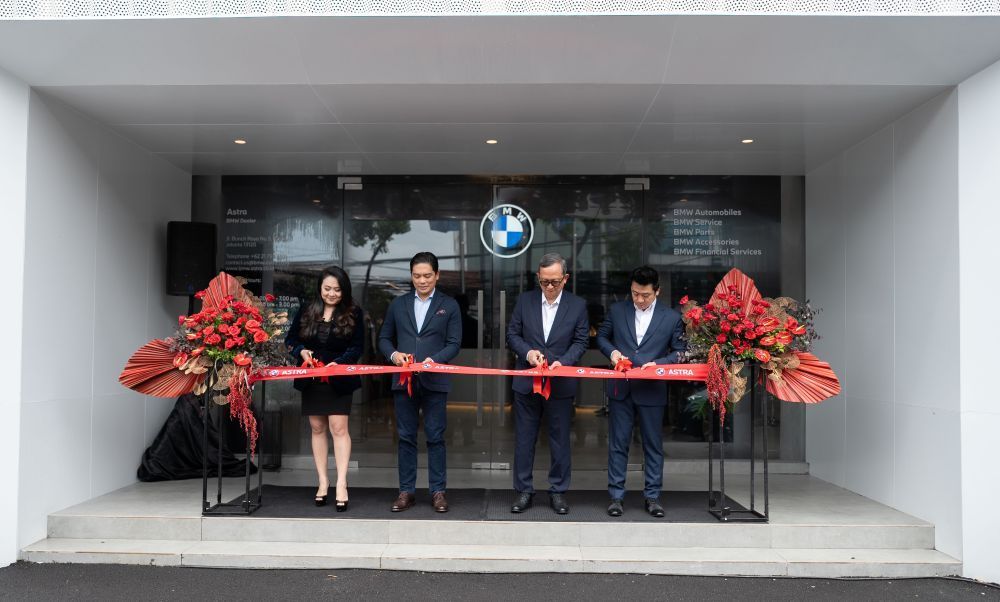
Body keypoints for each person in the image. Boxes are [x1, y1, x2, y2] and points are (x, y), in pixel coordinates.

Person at [597, 266, 686, 518]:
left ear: (657, 291)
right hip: (621, 388)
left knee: (653, 446)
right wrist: (613, 353)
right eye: (635, 293)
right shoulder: (617, 310)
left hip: (652, 388)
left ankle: (653, 497)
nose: (639, 299)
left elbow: (680, 352)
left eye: (645, 295)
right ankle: (616, 496)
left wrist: (659, 364)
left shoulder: (671, 318)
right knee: (618, 444)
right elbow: (602, 337)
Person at [506, 253, 589, 515]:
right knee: (524, 439)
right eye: (544, 282)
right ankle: (523, 490)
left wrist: (563, 362)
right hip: (527, 382)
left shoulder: (577, 305)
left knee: (560, 439)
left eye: (554, 281)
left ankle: (558, 491)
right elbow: (512, 334)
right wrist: (528, 353)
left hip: (560, 383)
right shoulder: (525, 301)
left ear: (565, 278)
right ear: (538, 278)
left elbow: (581, 341)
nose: (549, 287)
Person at [378, 252, 462, 513]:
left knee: (436, 436)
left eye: (427, 275)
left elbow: (454, 344)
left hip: (435, 379)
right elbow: (384, 339)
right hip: (403, 381)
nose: (422, 281)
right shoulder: (398, 304)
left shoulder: (449, 305)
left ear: (437, 275)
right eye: (417, 276)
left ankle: (438, 492)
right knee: (405, 437)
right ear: (411, 276)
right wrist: (394, 355)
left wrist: (433, 361)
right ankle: (406, 491)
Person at [285, 266, 364, 512]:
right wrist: (301, 351)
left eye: (337, 290)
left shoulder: (354, 312)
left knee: (339, 428)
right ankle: (322, 481)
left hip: (339, 378)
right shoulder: (307, 309)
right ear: (320, 288)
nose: (331, 294)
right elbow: (291, 340)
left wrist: (339, 363)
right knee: (317, 428)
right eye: (327, 288)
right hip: (312, 377)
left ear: (344, 290)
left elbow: (357, 347)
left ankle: (341, 483)